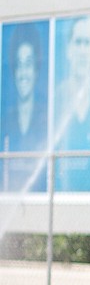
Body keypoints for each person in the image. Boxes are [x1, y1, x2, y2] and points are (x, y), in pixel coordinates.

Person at [54, 14, 90, 190]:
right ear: (69, 49)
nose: (83, 50)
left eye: (87, 43)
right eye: (78, 42)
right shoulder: (56, 99)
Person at [2, 27, 48, 193]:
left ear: (36, 70)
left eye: (28, 64)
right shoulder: (6, 119)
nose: (23, 74)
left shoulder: (46, 116)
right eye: (19, 65)